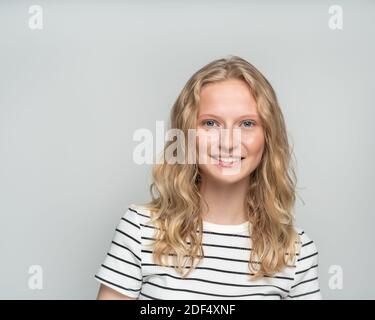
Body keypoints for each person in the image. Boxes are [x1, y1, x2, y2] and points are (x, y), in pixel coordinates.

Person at [95, 55, 322, 300]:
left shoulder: (296, 251)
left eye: (247, 123)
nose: (228, 142)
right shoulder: (140, 229)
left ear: (267, 137)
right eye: (211, 123)